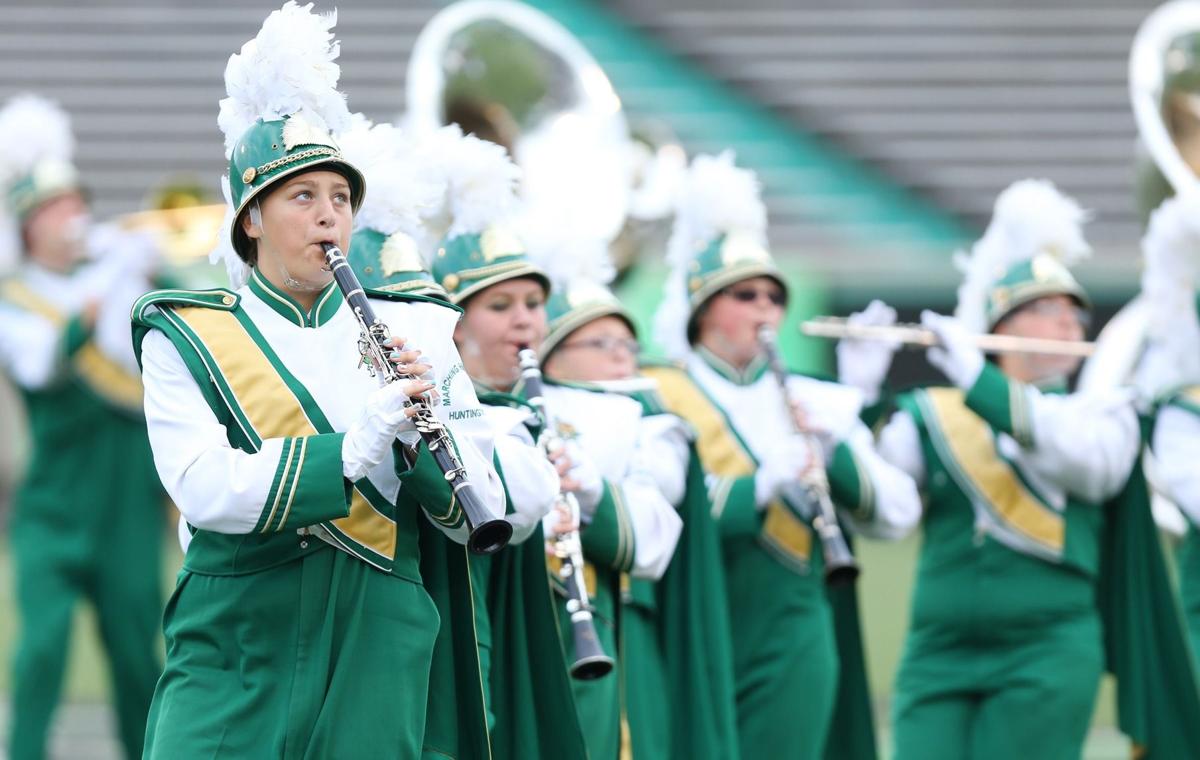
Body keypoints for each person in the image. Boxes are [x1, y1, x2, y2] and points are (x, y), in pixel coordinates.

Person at [132, 5, 505, 757]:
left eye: (340, 198)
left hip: (377, 627)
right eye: (302, 197)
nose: (328, 216)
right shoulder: (185, 334)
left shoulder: (419, 329)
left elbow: (482, 512)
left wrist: (420, 444)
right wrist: (355, 446)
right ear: (251, 219)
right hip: (237, 627)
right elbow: (204, 488)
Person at [646, 152, 919, 760]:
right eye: (744, 294)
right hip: (691, 619)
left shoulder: (815, 400)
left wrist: (835, 446)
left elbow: (897, 513)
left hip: (791, 630)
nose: (764, 308)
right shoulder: (660, 392)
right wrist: (760, 487)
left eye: (774, 296)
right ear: (703, 308)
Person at [867, 180, 1144, 760]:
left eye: (1075, 313)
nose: (1070, 325)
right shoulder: (936, 413)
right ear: (1002, 324)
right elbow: (881, 510)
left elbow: (1091, 467)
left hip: (1046, 650)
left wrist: (978, 382)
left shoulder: (1098, 411)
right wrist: (858, 399)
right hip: (937, 650)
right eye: (1047, 310)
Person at [0, 93, 165, 760]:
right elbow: (43, 362)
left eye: (74, 203)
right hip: (54, 503)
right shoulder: (14, 300)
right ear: (27, 227)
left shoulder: (115, 275)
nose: (70, 216)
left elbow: (154, 347)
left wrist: (148, 268)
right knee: (40, 651)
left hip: (126, 501)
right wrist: (110, 277)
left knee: (135, 651)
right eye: (52, 208)